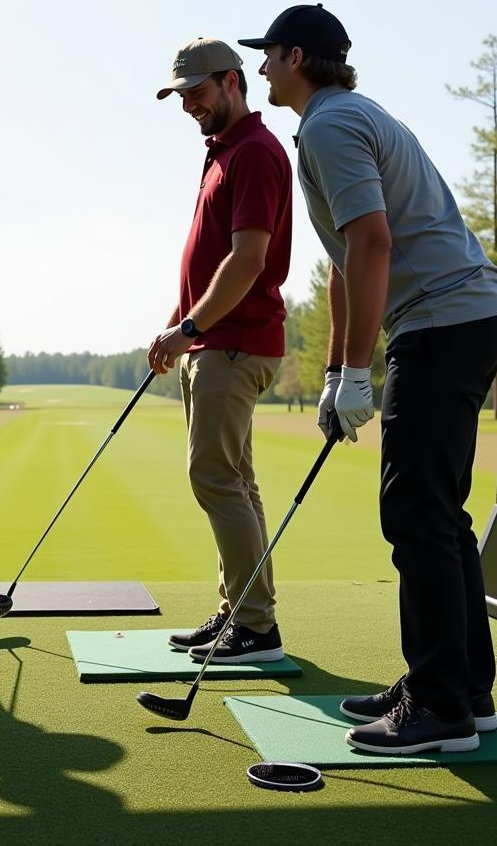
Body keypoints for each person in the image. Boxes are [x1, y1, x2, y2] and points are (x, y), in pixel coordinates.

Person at [239, 4, 497, 754]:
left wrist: (361, 369)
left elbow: (373, 241)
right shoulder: (342, 116)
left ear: (297, 57)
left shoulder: (329, 125)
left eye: (267, 55)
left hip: (441, 321)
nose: (261, 67)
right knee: (439, 515)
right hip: (462, 315)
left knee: (416, 516)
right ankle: (461, 690)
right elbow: (343, 261)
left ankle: (438, 709)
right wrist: (336, 370)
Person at [148, 38, 292, 664]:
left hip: (232, 344)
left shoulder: (255, 152)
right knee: (237, 480)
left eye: (197, 93)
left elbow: (248, 259)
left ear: (233, 81)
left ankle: (255, 627)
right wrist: (181, 323)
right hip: (215, 339)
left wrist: (190, 328)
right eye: (181, 96)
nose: (189, 106)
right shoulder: (225, 152)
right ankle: (244, 612)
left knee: (213, 477)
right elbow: (214, 258)